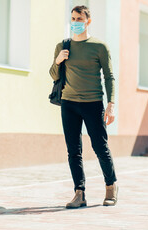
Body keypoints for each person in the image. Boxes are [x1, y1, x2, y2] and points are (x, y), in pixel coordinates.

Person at [49, 5, 118, 208]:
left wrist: (111, 104)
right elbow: (54, 75)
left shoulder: (99, 47)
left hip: (93, 103)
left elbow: (109, 76)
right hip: (69, 103)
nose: (75, 22)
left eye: (79, 19)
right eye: (73, 18)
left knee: (100, 147)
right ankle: (79, 193)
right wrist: (58, 60)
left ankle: (111, 187)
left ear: (88, 21)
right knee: (73, 150)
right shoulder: (63, 46)